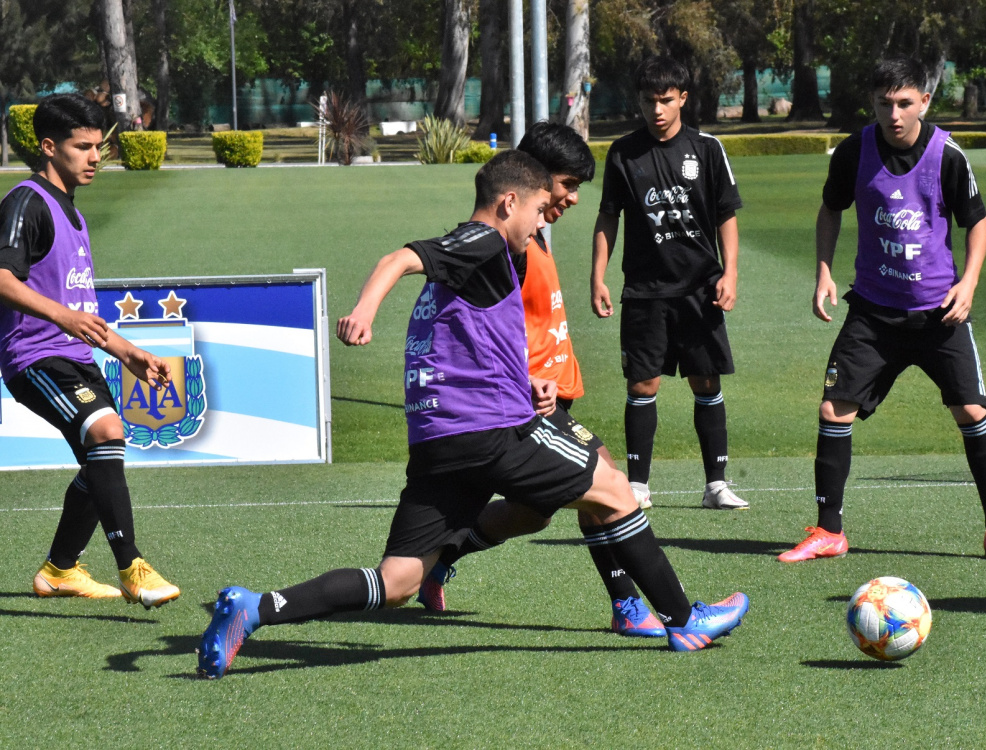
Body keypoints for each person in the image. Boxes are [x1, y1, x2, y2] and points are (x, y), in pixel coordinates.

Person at [197, 150, 749, 679]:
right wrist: (364, 310)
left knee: (397, 580)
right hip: (491, 431)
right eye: (537, 212)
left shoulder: (481, 265)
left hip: (439, 442)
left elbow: (466, 340)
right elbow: (400, 258)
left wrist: (524, 378)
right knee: (614, 490)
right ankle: (683, 620)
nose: (539, 226)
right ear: (509, 202)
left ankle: (255, 608)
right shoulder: (483, 241)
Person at [416, 122, 665, 638]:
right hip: (527, 405)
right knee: (606, 483)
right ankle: (632, 607)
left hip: (550, 399)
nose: (572, 198)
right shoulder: (507, 247)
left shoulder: (534, 239)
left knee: (533, 515)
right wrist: (526, 380)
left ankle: (439, 557)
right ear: (532, 181)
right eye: (567, 185)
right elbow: (476, 324)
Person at [778, 57, 986, 563]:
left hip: (939, 313)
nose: (894, 114)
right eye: (884, 104)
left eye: (904, 103)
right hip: (874, 313)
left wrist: (968, 283)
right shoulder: (855, 151)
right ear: (873, 103)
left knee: (971, 410)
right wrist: (824, 271)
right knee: (834, 409)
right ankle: (829, 532)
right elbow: (831, 208)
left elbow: (978, 222)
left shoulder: (947, 155)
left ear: (924, 100)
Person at [0, 94, 180, 607]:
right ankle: (133, 569)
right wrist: (63, 317)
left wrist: (126, 351)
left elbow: (80, 307)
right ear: (49, 147)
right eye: (83, 147)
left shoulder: (73, 216)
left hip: (74, 357)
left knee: (100, 464)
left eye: (98, 146)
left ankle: (60, 569)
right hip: (33, 357)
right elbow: (1, 278)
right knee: (107, 432)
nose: (95, 157)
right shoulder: (26, 202)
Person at [591, 55, 747, 511]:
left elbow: (726, 216)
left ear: (682, 98)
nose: (656, 110)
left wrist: (731, 272)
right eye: (647, 101)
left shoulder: (707, 149)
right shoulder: (623, 152)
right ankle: (637, 486)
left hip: (700, 288)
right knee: (642, 386)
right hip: (644, 291)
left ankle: (715, 485)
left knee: (706, 380)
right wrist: (598, 277)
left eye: (664, 100)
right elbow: (607, 217)